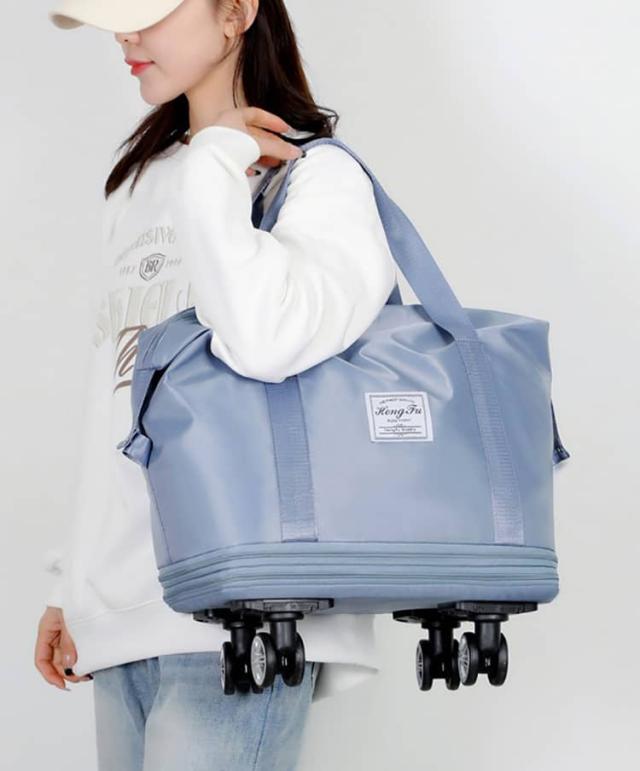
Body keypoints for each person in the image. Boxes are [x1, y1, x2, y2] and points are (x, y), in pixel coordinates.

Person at [35, 1, 398, 768]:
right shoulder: (139, 183)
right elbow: (116, 407)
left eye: (149, 11)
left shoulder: (316, 176)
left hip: (243, 612)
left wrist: (217, 162)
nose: (126, 35)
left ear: (235, 12)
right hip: (123, 613)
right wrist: (74, 584)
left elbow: (267, 341)